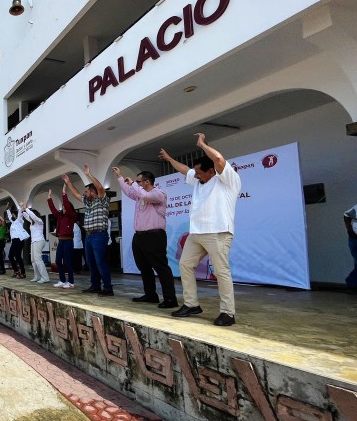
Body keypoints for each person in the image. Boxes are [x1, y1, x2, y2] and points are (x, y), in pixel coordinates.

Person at [159, 133, 242, 326]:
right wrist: (170, 159)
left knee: (221, 272)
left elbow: (219, 159)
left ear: (212, 171)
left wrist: (202, 144)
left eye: (199, 172)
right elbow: (184, 170)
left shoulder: (228, 180)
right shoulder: (198, 180)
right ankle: (191, 304)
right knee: (185, 265)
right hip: (196, 233)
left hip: (218, 232)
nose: (194, 175)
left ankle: (228, 312)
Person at [113, 166, 178, 309]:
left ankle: (170, 298)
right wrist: (119, 177)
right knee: (143, 267)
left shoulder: (158, 193)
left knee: (161, 267)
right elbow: (129, 191)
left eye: (139, 181)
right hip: (140, 236)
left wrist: (134, 184)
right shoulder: (139, 193)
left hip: (154, 235)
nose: (136, 184)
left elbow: (145, 196)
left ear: (147, 182)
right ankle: (150, 295)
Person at [64, 168, 113, 296]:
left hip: (99, 235)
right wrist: (69, 183)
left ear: (92, 192)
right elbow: (76, 194)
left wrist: (88, 174)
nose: (84, 194)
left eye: (86, 191)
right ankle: (95, 286)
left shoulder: (103, 200)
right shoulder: (87, 202)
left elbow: (100, 188)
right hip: (89, 236)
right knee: (91, 263)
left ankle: (108, 288)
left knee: (100, 262)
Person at [48, 185, 78, 288]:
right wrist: (49, 198)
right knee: (57, 261)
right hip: (61, 241)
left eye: (65, 207)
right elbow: (53, 210)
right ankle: (62, 280)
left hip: (68, 241)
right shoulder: (60, 216)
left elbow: (68, 206)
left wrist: (64, 193)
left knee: (68, 262)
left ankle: (70, 282)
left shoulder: (72, 216)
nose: (64, 208)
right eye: (63, 207)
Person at [6, 203, 29, 279]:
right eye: (11, 215)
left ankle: (23, 273)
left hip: (19, 240)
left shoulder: (19, 220)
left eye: (13, 215)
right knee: (10, 256)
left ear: (15, 215)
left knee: (17, 256)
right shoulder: (12, 223)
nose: (11, 216)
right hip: (14, 241)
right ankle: (16, 271)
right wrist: (7, 209)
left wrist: (20, 206)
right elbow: (9, 216)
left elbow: (20, 213)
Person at [345, 203, 357, 293]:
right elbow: (346, 215)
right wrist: (349, 230)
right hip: (355, 238)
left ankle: (352, 283)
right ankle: (351, 282)